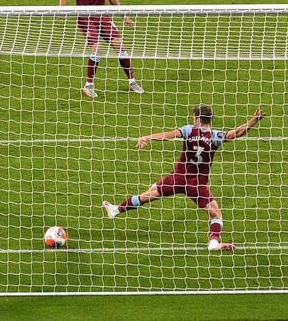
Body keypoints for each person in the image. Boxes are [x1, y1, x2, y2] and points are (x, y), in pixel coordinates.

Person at [102, 105, 266, 251]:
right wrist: (254, 120)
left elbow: (169, 135)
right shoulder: (215, 136)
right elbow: (237, 133)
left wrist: (147, 137)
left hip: (178, 178)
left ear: (197, 118)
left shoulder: (188, 130)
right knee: (216, 214)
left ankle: (116, 210)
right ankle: (214, 242)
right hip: (197, 185)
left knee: (148, 195)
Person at [59, 0, 144, 98]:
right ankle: (88, 85)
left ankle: (132, 82)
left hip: (102, 17)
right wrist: (62, 11)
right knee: (98, 48)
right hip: (85, 19)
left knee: (119, 44)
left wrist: (125, 15)